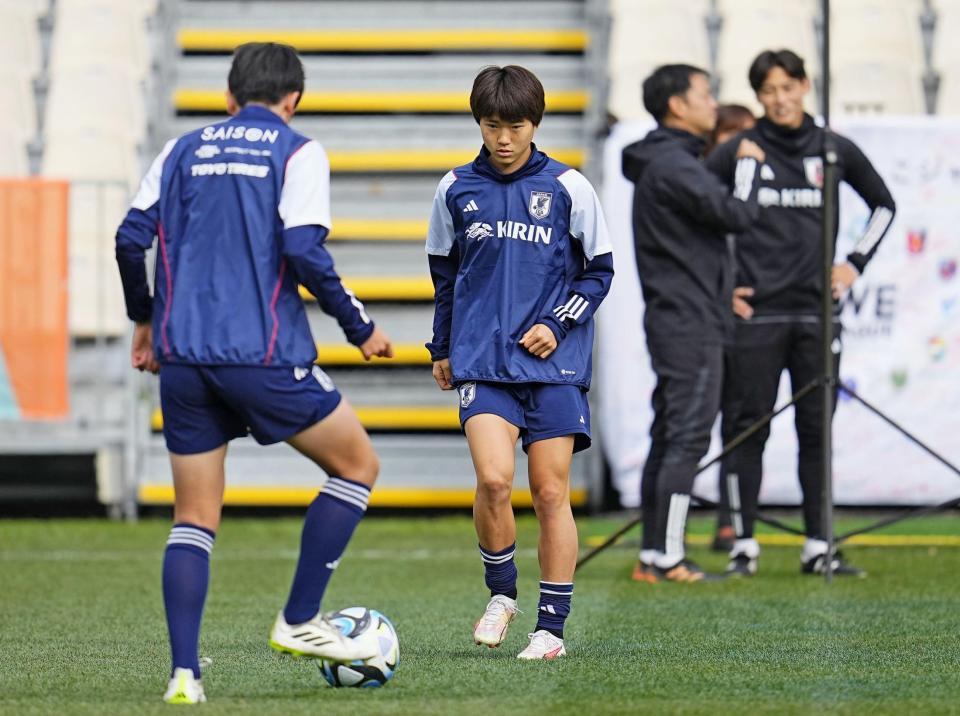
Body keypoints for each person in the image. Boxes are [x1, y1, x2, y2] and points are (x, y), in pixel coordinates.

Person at [114, 42, 393, 704]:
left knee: (194, 517)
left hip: (182, 357)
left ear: (228, 97)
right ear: (293, 100)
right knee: (357, 467)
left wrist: (146, 319)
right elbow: (303, 247)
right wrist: (360, 328)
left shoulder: (180, 149)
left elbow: (130, 240)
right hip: (262, 354)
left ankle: (185, 676)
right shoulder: (297, 150)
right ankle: (299, 620)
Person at [426, 65, 613, 660]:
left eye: (516, 126)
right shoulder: (454, 187)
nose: (504, 139)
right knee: (493, 479)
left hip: (555, 366)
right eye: (492, 126)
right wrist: (443, 347)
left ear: (535, 124)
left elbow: (600, 271)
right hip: (483, 361)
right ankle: (502, 594)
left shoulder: (569, 186)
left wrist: (556, 324)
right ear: (478, 124)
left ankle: (550, 630)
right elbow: (445, 275)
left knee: (551, 492)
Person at [705, 49, 896, 577]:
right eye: (768, 90)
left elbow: (884, 205)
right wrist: (723, 287)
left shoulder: (832, 150)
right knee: (749, 429)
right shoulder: (742, 150)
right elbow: (693, 215)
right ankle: (743, 545)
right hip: (756, 316)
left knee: (817, 431)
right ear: (758, 97)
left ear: (805, 86)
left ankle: (819, 546)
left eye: (788, 87)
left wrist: (853, 263)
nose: (780, 99)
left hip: (817, 316)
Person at [622, 64, 764, 584]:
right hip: (690, 325)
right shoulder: (675, 167)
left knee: (670, 436)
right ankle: (670, 558)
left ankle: (652, 556)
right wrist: (748, 164)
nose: (713, 103)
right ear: (677, 105)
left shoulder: (668, 162)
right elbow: (738, 215)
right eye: (705, 94)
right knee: (686, 440)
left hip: (679, 318)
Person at [704, 104, 758, 554]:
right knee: (687, 427)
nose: (739, 143)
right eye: (731, 133)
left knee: (740, 423)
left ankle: (731, 522)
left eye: (746, 134)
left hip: (744, 322)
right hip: (701, 318)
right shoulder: (700, 185)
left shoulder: (754, 188)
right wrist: (721, 294)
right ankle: (662, 537)